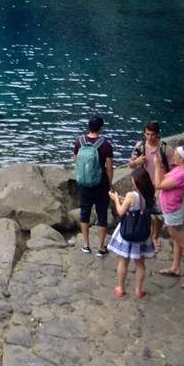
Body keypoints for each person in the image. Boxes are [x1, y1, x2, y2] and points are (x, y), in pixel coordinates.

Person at [108, 167, 157, 299]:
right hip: (142, 233)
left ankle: (121, 288)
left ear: (136, 181)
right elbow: (136, 205)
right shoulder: (147, 196)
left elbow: (120, 211)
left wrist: (116, 199)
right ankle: (138, 290)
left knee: (123, 261)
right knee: (140, 263)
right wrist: (122, 199)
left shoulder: (131, 195)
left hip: (128, 232)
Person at [155, 144, 184, 289]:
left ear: (181, 159)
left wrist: (157, 167)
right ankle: (175, 267)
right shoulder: (178, 169)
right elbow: (164, 179)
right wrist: (161, 167)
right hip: (170, 210)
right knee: (175, 240)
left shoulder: (183, 174)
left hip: (173, 211)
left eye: (175, 155)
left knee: (183, 243)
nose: (173, 156)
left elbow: (159, 184)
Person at [74, 115, 114, 256]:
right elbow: (109, 168)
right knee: (101, 215)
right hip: (100, 184)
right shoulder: (105, 145)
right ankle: (101, 248)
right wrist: (110, 184)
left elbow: (75, 160)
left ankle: (86, 245)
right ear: (101, 128)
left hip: (84, 184)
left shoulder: (80, 141)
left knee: (84, 214)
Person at [128, 121, 171, 252]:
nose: (149, 137)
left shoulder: (166, 149)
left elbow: (173, 167)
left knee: (158, 215)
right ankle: (146, 236)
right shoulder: (139, 146)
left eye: (152, 134)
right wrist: (136, 162)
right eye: (147, 134)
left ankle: (156, 236)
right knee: (144, 212)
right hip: (144, 186)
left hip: (160, 186)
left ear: (157, 134)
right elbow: (131, 164)